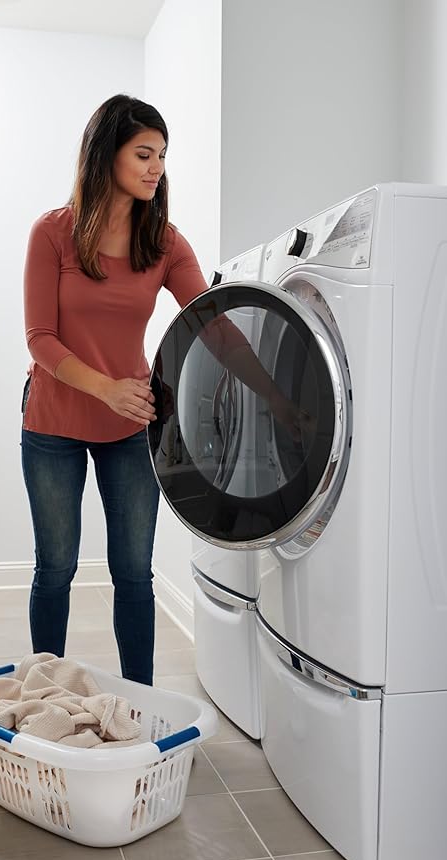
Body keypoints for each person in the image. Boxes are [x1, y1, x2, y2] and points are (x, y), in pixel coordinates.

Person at [22, 93, 307, 687]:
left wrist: (278, 397)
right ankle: (41, 694)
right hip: (52, 425)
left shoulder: (166, 243)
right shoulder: (52, 234)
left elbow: (216, 328)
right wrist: (107, 389)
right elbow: (41, 341)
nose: (157, 168)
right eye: (144, 154)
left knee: (133, 573)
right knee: (56, 567)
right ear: (106, 157)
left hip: (130, 428)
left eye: (162, 156)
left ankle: (140, 704)